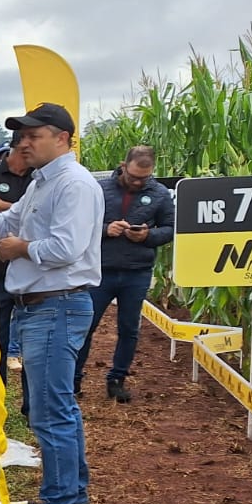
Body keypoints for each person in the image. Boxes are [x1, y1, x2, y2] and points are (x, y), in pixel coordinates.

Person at [0, 102, 102, 504]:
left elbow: (66, 247)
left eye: (33, 135)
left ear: (62, 138)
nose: (23, 143)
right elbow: (7, 222)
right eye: (21, 136)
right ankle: (73, 496)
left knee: (49, 414)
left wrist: (20, 249)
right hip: (44, 306)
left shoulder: (73, 184)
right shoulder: (42, 183)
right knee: (59, 409)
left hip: (56, 305)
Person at [75, 145, 175, 403]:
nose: (138, 182)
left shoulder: (160, 194)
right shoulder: (98, 189)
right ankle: (74, 379)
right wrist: (106, 229)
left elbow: (170, 228)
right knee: (85, 326)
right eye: (133, 176)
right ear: (123, 166)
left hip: (136, 272)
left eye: (145, 178)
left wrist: (148, 236)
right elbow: (79, 223)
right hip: (100, 270)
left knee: (129, 329)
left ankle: (117, 380)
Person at [0, 130, 35, 392]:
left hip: (30, 270)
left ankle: (31, 402)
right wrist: (17, 208)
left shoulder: (38, 177)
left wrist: (0, 205)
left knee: (32, 341)